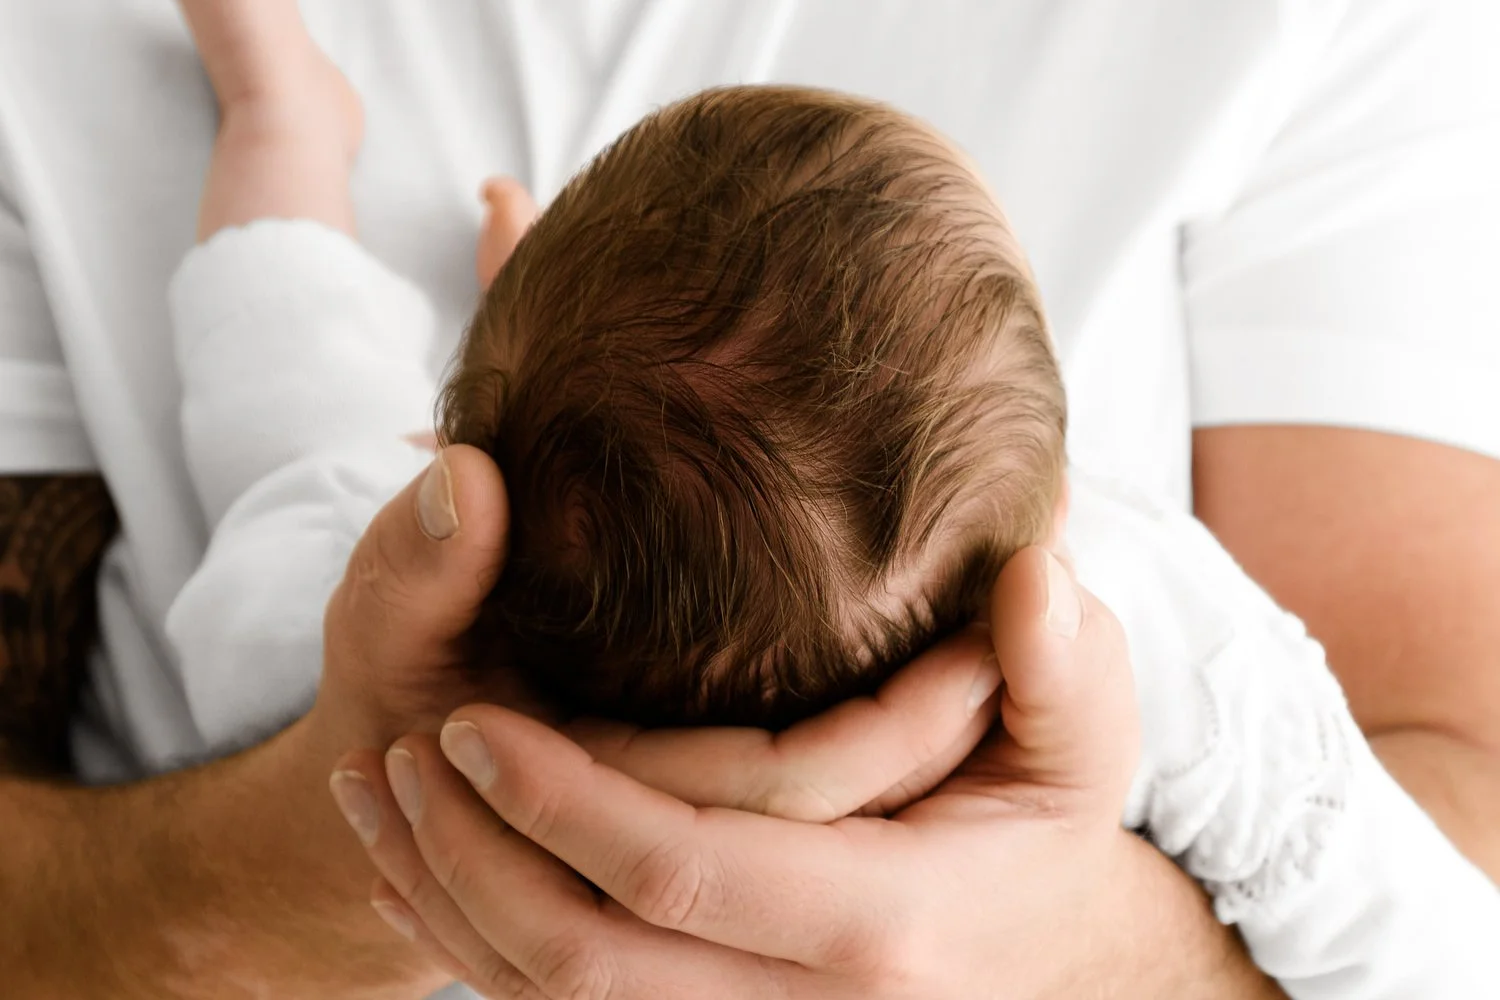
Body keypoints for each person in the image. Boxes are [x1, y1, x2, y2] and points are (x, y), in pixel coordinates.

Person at [2, 1, 1497, 997]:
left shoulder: (359, 643)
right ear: (1045, 477)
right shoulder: (1125, 610)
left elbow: (295, 413)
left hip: (424, 747)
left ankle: (285, 122)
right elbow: (1413, 917)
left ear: (480, 468)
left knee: (291, 372)